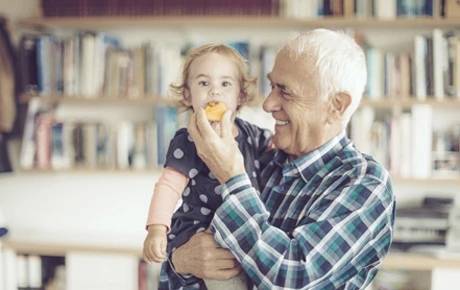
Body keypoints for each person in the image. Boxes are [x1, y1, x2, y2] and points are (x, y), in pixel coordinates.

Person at [162, 29, 396, 289]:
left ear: (336, 106)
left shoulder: (365, 183)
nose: (268, 104)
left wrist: (231, 176)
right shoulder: (259, 159)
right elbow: (177, 250)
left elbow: (291, 279)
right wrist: (180, 260)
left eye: (285, 91)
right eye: (272, 85)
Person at [143, 43, 274, 289]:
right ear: (187, 95)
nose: (215, 91)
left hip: (242, 228)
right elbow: (169, 186)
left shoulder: (251, 134)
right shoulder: (187, 139)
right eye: (204, 83)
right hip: (201, 231)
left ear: (240, 97)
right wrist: (157, 230)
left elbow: (276, 150)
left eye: (225, 84)